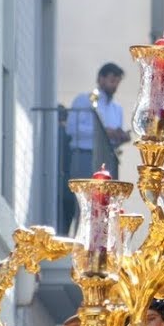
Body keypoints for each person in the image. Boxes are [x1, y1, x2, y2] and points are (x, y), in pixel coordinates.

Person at [63, 63, 128, 230]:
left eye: (117, 81)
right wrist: (103, 131)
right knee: (84, 203)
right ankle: (80, 242)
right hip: (85, 155)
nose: (114, 85)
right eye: (112, 80)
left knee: (104, 206)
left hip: (106, 161)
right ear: (101, 79)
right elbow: (73, 128)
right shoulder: (84, 100)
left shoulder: (117, 109)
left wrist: (120, 136)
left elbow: (111, 139)